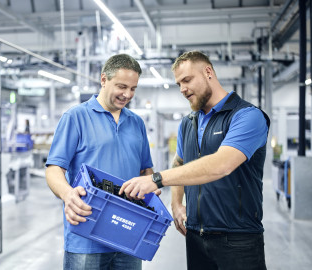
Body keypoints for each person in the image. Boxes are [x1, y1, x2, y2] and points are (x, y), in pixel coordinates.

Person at [120, 50, 270, 270]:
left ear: (208, 72)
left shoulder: (247, 116)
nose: (182, 89)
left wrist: (157, 179)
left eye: (187, 80)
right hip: (196, 237)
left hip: (239, 239)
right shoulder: (188, 123)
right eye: (179, 83)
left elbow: (222, 164)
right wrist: (176, 203)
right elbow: (180, 162)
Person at [45, 54, 154, 270]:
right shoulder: (75, 117)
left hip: (129, 234)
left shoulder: (136, 123)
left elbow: (145, 170)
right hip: (86, 235)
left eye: (133, 88)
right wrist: (68, 194)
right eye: (122, 86)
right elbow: (54, 169)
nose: (127, 94)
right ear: (104, 80)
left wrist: (151, 185)